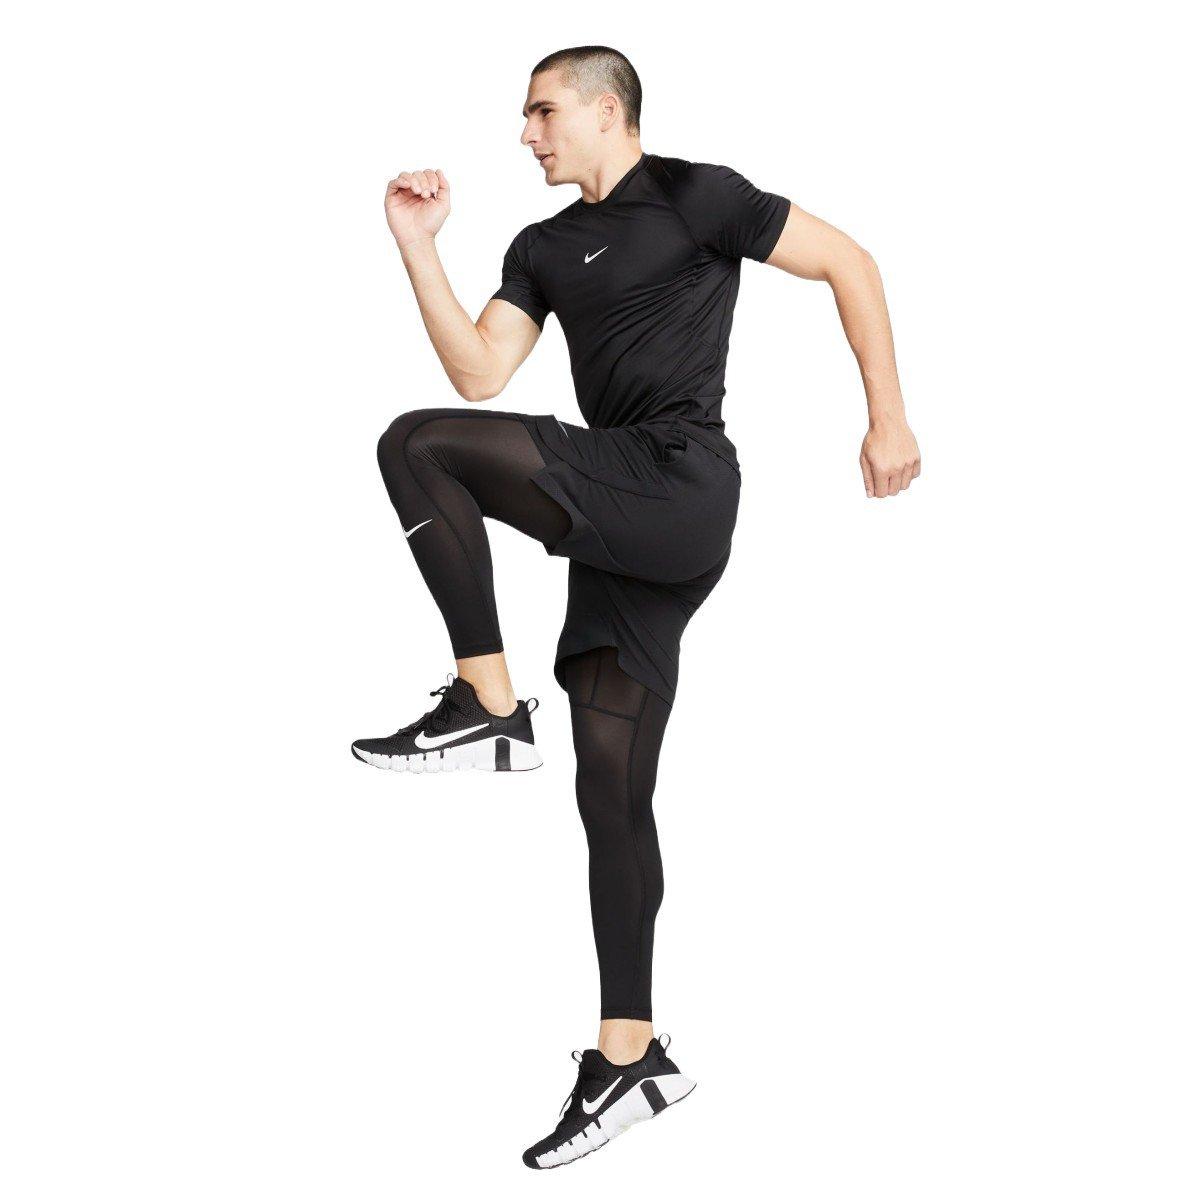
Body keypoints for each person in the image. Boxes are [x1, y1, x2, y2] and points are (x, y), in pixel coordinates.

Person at [354, 45, 921, 1169]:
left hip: (677, 481)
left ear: (607, 110)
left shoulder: (697, 195)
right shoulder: (540, 248)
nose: (527, 135)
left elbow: (849, 262)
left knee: (415, 446)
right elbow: (480, 374)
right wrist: (418, 247)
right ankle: (631, 1058)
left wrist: (888, 418)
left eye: (542, 112)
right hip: (623, 520)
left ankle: (488, 701)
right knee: (610, 794)